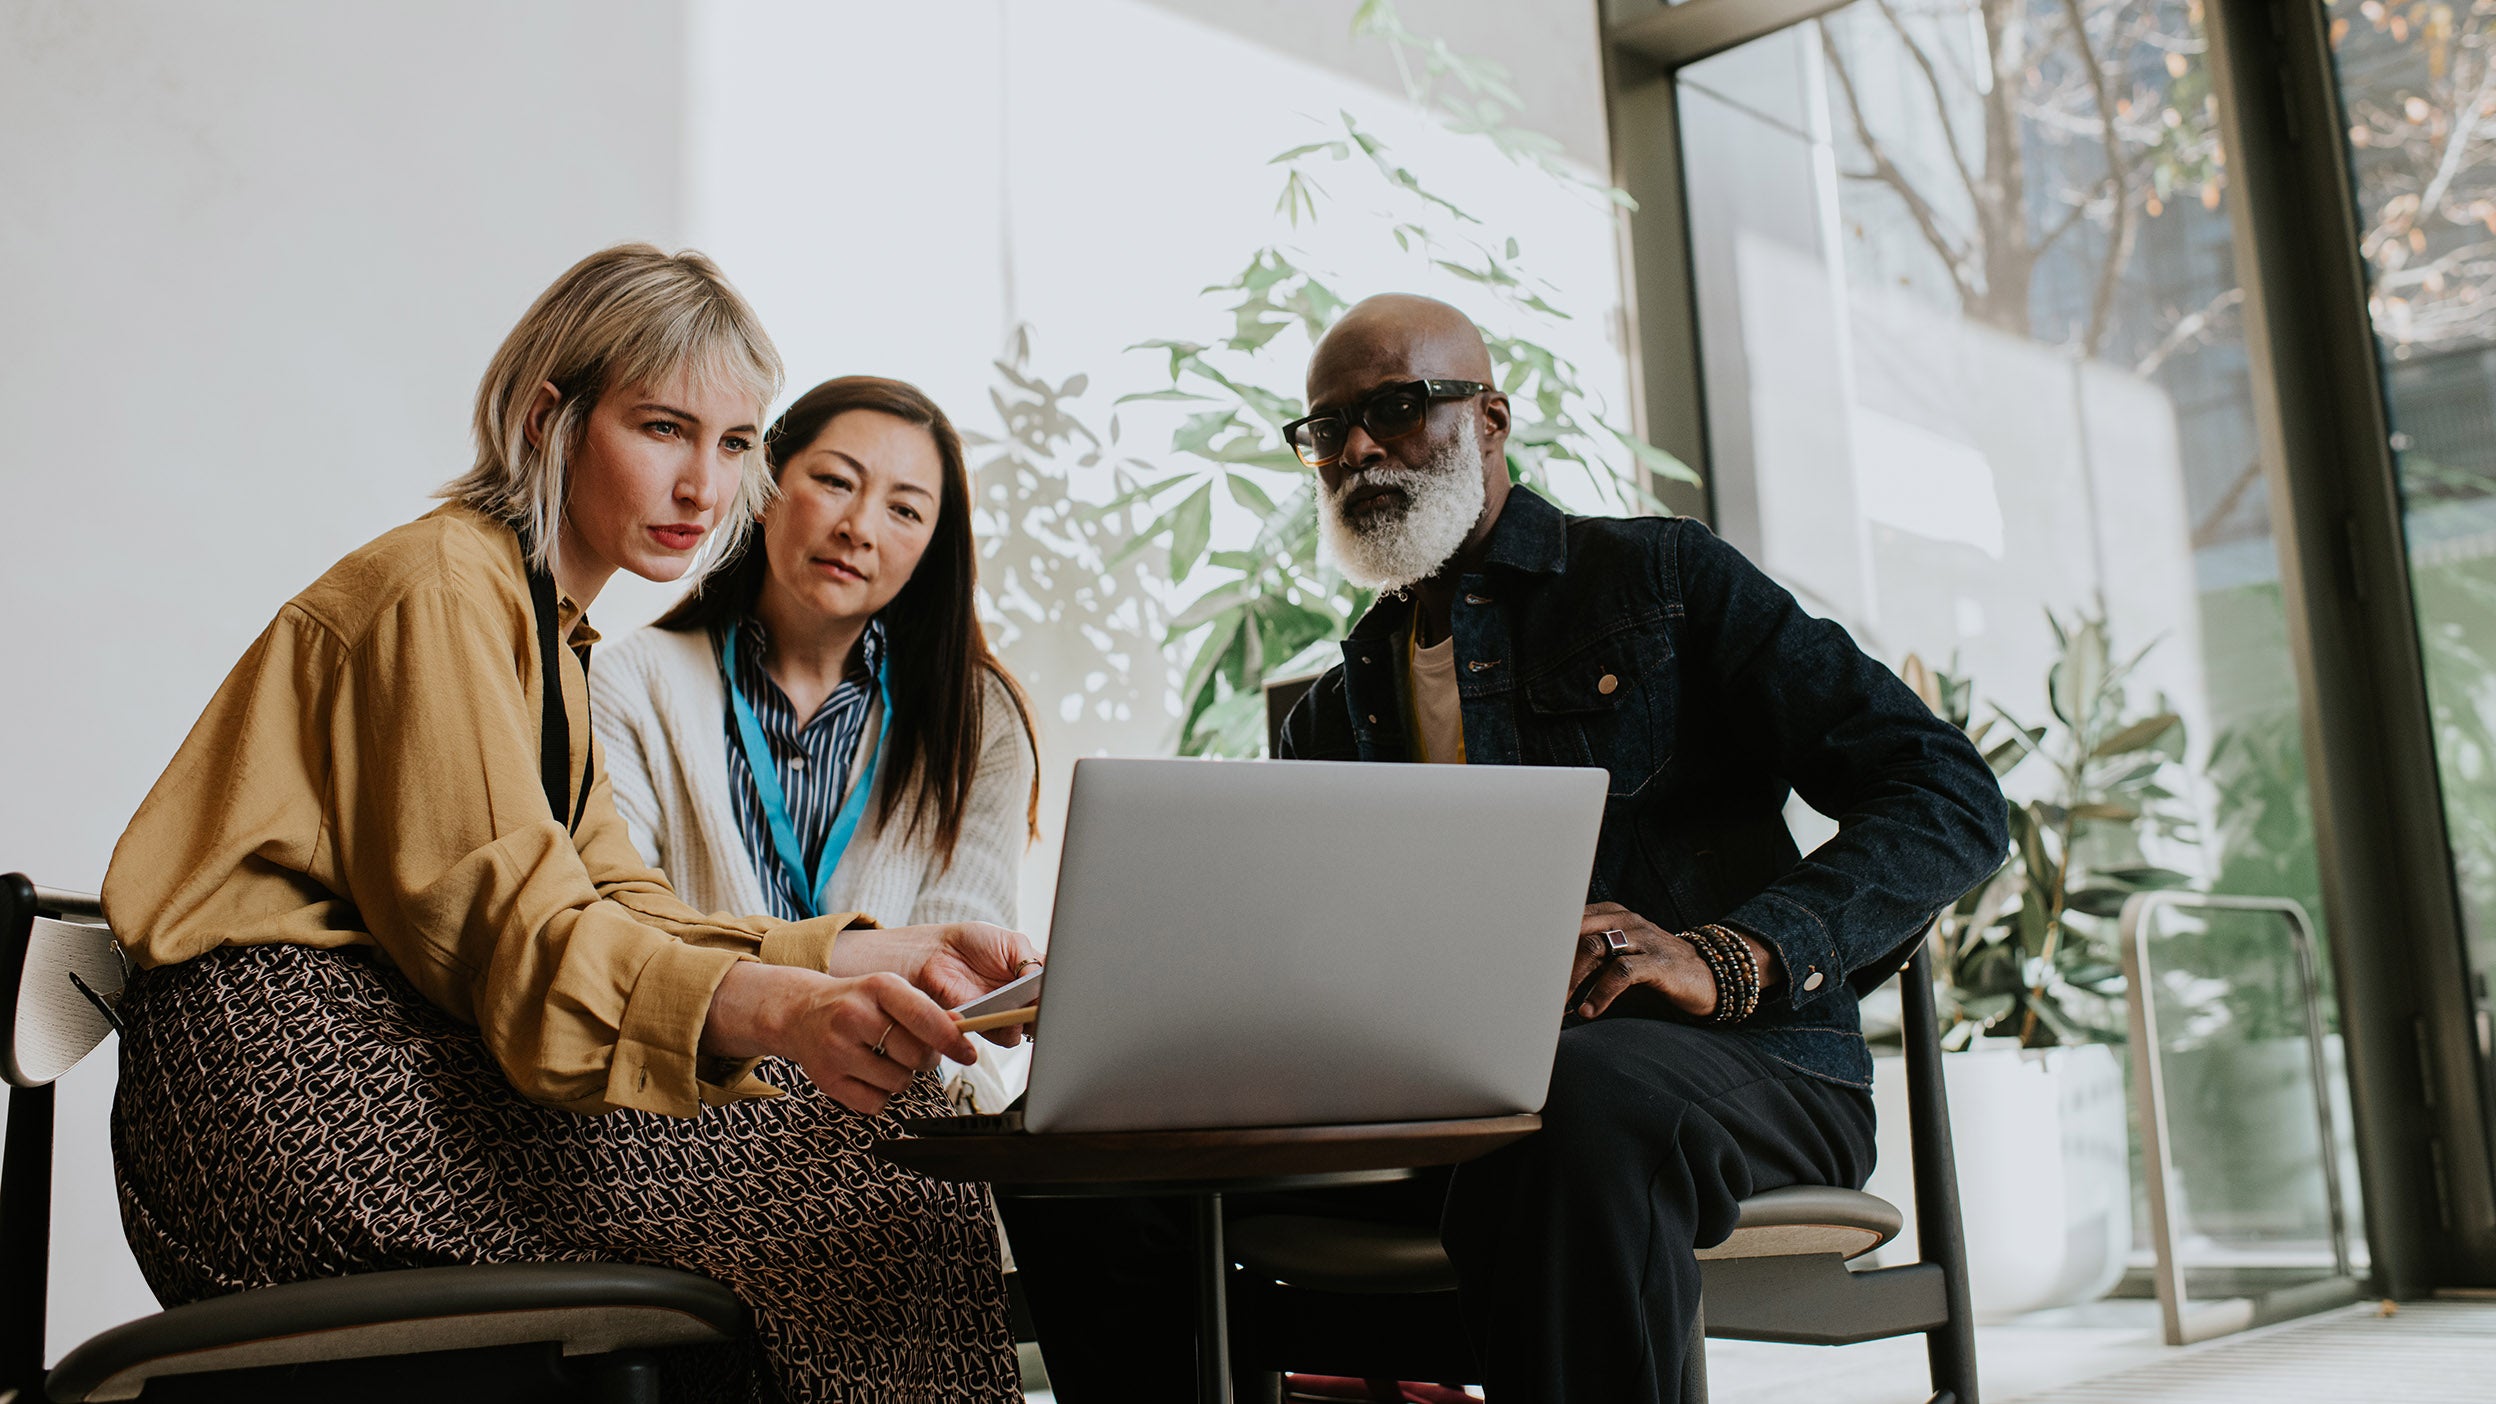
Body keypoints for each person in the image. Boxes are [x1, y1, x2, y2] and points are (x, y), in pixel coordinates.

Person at [1001, 294, 2010, 1403]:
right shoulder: (1331, 716)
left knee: (1570, 1106)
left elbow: (1949, 795)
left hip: (1739, 1078)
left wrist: (1730, 955)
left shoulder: (1662, 582)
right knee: (1073, 1152)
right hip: (1447, 1119)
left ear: (1491, 418)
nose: (1359, 448)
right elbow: (1314, 968)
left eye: (1397, 406)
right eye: (1326, 430)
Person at [100, 245, 1035, 1404]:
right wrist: (791, 1010)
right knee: (866, 1177)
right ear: (550, 419)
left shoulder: (546, 630)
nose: (704, 486)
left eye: (737, 444)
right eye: (662, 430)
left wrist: (877, 953)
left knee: (857, 1154)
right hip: (281, 1095)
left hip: (377, 1060)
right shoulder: (442, 588)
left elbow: (622, 908)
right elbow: (526, 940)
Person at [590, 374, 1040, 1112]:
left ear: (931, 546)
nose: (860, 527)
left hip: (899, 1111)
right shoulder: (630, 684)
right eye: (835, 482)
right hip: (691, 1106)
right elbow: (628, 937)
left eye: (904, 510)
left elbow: (963, 994)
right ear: (763, 487)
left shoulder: (978, 718)